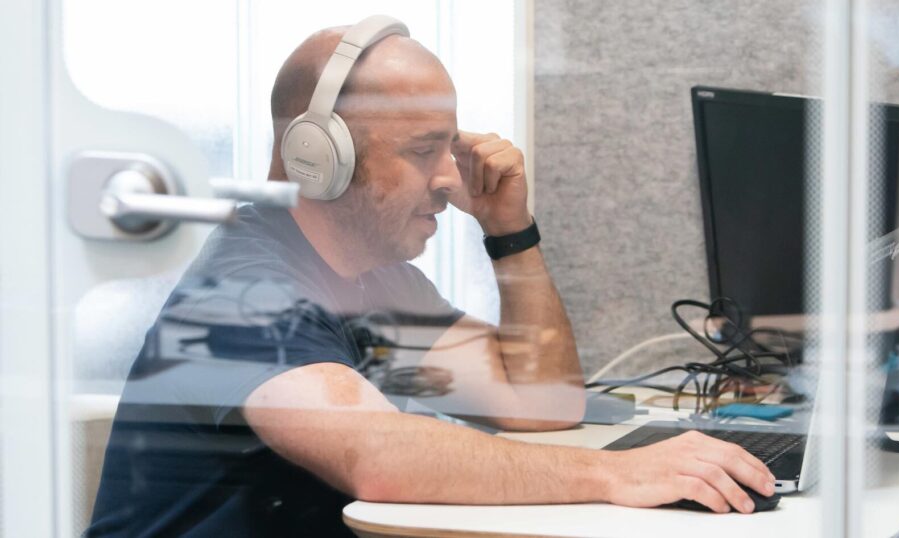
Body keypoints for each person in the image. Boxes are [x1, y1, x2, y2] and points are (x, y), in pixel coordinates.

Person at [87, 18, 776, 537]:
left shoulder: (376, 283)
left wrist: (510, 232)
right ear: (316, 159)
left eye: (452, 146)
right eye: (424, 151)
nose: (452, 180)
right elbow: (377, 454)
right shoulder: (245, 292)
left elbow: (540, 401)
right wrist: (616, 472)